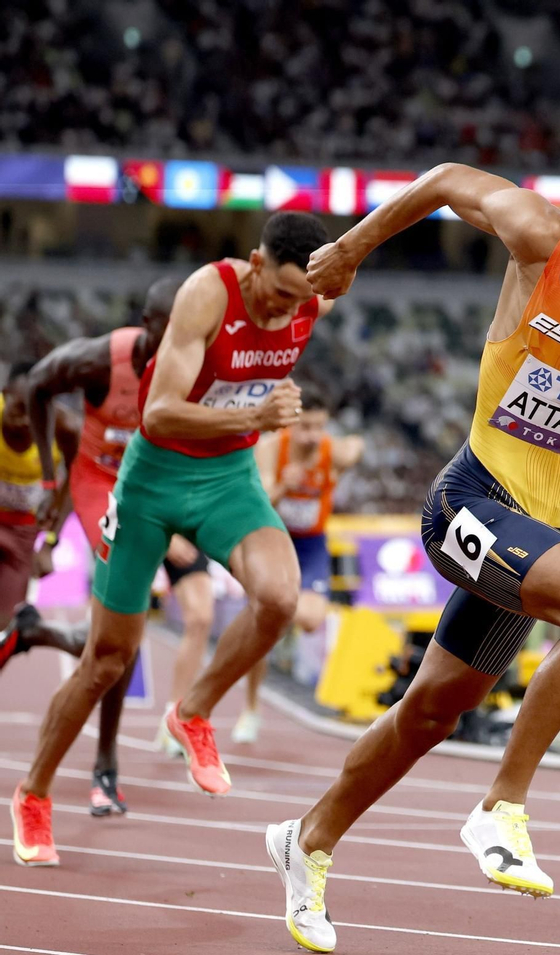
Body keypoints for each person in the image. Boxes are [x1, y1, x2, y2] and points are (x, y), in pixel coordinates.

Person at [270, 125, 560, 954]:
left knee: (430, 711)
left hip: (543, 525)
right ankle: (502, 805)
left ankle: (305, 839)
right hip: (472, 499)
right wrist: (347, 251)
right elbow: (447, 179)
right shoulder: (544, 234)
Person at [12, 212, 332, 869]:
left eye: (297, 299)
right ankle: (34, 793)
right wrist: (256, 413)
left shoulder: (313, 294)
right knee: (106, 660)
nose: (281, 310)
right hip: (150, 484)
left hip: (227, 479)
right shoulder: (208, 293)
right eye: (274, 293)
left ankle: (192, 711)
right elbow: (156, 414)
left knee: (278, 597)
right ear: (253, 262)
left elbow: (366, 241)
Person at [21, 278, 218, 812]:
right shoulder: (98, 361)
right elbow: (36, 386)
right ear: (146, 324)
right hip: (102, 486)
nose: (182, 341)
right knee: (122, 638)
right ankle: (106, 764)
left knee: (127, 636)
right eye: (170, 331)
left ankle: (38, 631)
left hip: (167, 484)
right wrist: (45, 478)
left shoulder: (202, 364)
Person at [237, 386, 364, 743]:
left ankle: (275, 609)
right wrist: (281, 485)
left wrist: (351, 451)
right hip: (275, 536)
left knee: (308, 620)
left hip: (311, 545)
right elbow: (256, 501)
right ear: (292, 423)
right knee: (264, 629)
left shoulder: (330, 450)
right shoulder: (271, 447)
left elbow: (355, 447)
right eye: (304, 426)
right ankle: (250, 709)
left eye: (318, 427)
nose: (311, 436)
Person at [0, 361, 82, 670]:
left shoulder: (64, 428)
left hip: (23, 533)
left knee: (4, 630)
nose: (26, 423)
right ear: (5, 394)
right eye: (21, 409)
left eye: (36, 414)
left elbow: (76, 482)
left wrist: (49, 543)